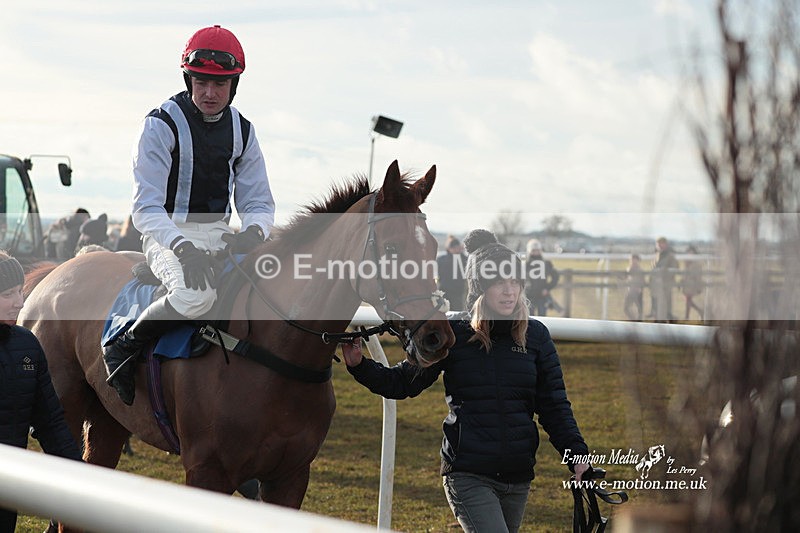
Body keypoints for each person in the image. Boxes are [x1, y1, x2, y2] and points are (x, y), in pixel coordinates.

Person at [341, 229, 590, 533]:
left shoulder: (536, 337)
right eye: (499, 283)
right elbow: (403, 382)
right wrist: (359, 365)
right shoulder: (454, 333)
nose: (509, 291)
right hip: (468, 476)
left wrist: (578, 457)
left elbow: (554, 407)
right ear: (480, 288)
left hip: (519, 478)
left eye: (515, 282)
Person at [103, 25, 276, 406]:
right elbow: (146, 208)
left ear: (234, 85)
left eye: (220, 84)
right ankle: (125, 343)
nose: (210, 93)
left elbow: (259, 203)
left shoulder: (244, 131)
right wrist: (182, 247)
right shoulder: (159, 124)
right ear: (188, 79)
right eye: (201, 83)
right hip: (167, 233)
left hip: (219, 234)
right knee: (195, 296)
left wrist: (253, 233)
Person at [0, 250, 82, 532]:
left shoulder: (27, 346)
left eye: (19, 292)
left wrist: (74, 471)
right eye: (7, 294)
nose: (19, 303)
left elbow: (50, 421)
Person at [524, 238, 562, 316]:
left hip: (542, 295)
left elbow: (555, 277)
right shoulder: (525, 264)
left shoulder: (546, 263)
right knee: (530, 319)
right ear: (529, 251)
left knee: (543, 318)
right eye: (533, 250)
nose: (536, 252)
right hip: (529, 296)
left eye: (537, 250)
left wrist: (547, 288)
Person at [648, 236, 679, 322]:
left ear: (665, 244)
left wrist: (664, 278)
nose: (659, 246)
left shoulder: (670, 256)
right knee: (656, 308)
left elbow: (674, 269)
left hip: (665, 286)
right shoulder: (656, 255)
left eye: (661, 244)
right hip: (655, 287)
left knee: (665, 309)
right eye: (658, 244)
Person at [436, 235, 468, 312]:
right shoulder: (441, 259)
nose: (456, 249)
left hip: (458, 292)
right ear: (449, 248)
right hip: (443, 291)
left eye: (457, 247)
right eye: (454, 248)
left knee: (457, 314)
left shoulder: (464, 259)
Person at [681, 246, 704, 320]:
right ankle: (699, 312)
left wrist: (698, 287)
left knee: (688, 300)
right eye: (688, 252)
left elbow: (698, 276)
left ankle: (687, 317)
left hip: (692, 285)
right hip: (686, 284)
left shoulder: (697, 264)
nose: (689, 254)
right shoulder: (686, 262)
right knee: (688, 300)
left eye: (691, 252)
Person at [622, 253, 646, 321]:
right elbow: (625, 277)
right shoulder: (628, 269)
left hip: (637, 291)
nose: (632, 261)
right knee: (626, 308)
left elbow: (643, 281)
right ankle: (633, 320)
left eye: (634, 260)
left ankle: (638, 323)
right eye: (631, 260)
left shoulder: (640, 270)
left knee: (639, 310)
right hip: (630, 291)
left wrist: (640, 288)